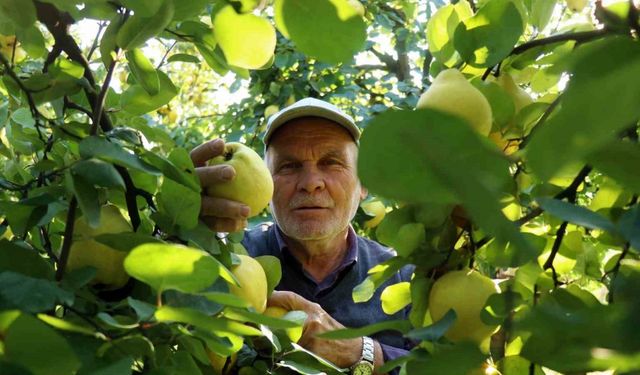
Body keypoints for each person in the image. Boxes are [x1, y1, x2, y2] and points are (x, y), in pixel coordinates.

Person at [190, 98, 413, 374]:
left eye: (331, 163)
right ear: (265, 181)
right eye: (289, 166)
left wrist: (363, 353)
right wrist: (180, 234)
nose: (310, 183)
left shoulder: (404, 279)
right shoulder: (222, 261)